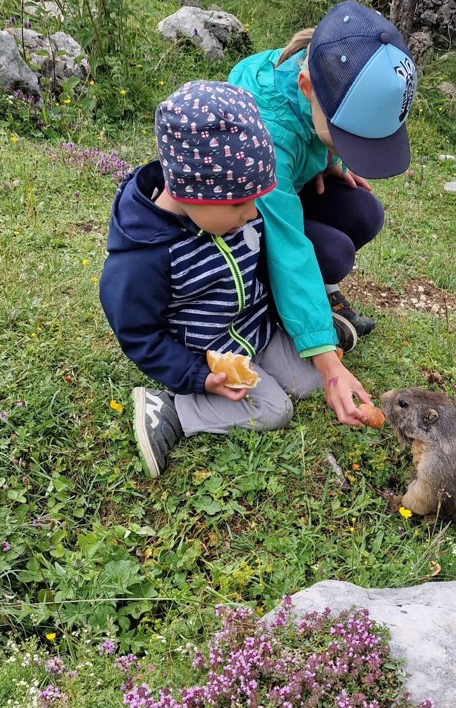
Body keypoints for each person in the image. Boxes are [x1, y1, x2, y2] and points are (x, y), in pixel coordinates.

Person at [99, 80, 324, 478]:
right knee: (275, 410)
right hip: (208, 357)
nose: (253, 214)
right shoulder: (145, 257)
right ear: (191, 190)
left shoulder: (223, 212)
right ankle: (172, 409)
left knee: (311, 380)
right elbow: (138, 335)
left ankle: (295, 344)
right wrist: (198, 377)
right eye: (241, 202)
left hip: (258, 331)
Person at [228, 0, 418, 428]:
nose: (349, 148)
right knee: (330, 251)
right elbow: (287, 247)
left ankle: (317, 300)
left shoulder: (321, 73)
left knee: (364, 212)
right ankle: (280, 312)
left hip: (283, 190)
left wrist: (331, 161)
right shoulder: (267, 138)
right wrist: (329, 366)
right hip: (239, 224)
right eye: (346, 138)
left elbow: (315, 130)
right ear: (307, 86)